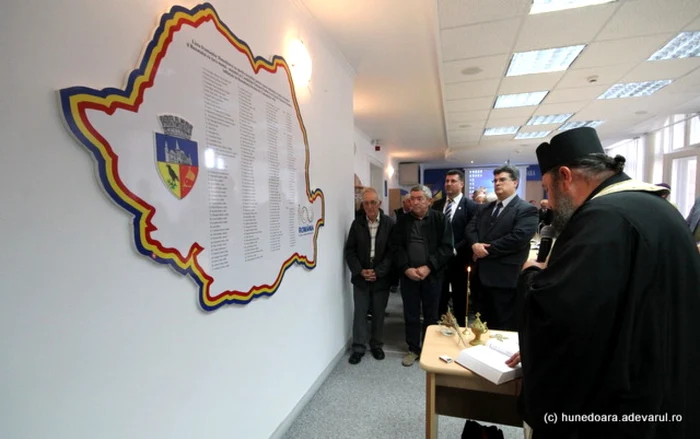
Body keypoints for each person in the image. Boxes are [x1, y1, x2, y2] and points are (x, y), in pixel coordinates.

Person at [511, 127, 700, 438]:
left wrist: (532, 275)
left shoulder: (603, 219)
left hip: (618, 408)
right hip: (667, 384)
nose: (549, 202)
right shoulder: (655, 207)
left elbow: (561, 316)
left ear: (566, 177)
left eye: (547, 189)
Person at [465, 165, 538, 330]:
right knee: (480, 323)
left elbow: (517, 238)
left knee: (503, 325)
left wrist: (484, 251)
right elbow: (470, 228)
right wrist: (475, 244)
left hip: (504, 278)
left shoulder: (526, 210)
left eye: (502, 179)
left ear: (515, 183)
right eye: (495, 180)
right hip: (480, 277)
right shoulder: (485, 208)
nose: (497, 183)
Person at [391, 184, 453, 367]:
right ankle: (413, 348)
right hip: (409, 275)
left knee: (431, 314)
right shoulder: (402, 221)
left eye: (419, 198)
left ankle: (429, 348)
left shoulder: (440, 219)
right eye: (412, 198)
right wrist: (406, 268)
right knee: (410, 313)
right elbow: (396, 247)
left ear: (429, 201)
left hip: (432, 275)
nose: (415, 202)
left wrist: (429, 267)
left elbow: (447, 248)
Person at [344, 187, 395, 364]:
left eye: (373, 202)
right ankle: (358, 347)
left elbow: (392, 253)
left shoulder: (389, 223)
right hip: (361, 277)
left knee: (379, 313)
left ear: (379, 203)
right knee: (360, 312)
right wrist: (360, 270)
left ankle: (376, 345)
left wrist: (378, 272)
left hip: (381, 277)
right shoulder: (356, 223)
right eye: (366, 203)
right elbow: (350, 251)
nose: (369, 206)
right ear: (362, 205)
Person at [432, 169, 478, 326]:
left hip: (460, 260)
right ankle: (439, 328)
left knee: (460, 298)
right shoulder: (437, 205)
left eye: (453, 181)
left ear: (462, 184)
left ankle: (460, 329)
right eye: (447, 181)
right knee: (439, 298)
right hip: (439, 262)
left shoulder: (471, 207)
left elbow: (470, 233)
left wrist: (453, 249)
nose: (448, 184)